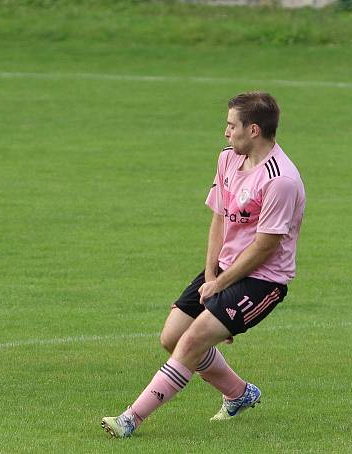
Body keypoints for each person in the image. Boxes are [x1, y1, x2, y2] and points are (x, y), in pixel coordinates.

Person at [101, 92, 305, 437]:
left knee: (193, 341)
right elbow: (220, 220)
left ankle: (130, 419)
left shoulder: (280, 180)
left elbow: (265, 247)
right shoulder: (228, 159)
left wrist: (220, 287)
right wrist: (211, 274)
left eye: (231, 126)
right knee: (172, 337)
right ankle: (239, 393)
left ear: (253, 130)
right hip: (224, 269)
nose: (226, 133)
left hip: (263, 279)